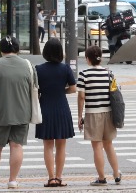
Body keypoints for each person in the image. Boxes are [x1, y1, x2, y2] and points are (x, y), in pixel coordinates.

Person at [0, 36, 34, 189]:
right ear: (17, 49)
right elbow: (34, 88)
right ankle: (12, 181)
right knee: (16, 146)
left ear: (1, 49)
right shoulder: (28, 64)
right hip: (23, 112)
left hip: (1, 111)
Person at [77, 46, 122, 186]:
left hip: (92, 114)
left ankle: (102, 178)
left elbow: (81, 97)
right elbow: (115, 94)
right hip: (108, 113)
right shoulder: (109, 73)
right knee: (109, 145)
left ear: (87, 59)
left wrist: (80, 116)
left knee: (97, 146)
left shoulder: (84, 74)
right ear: (100, 58)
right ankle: (116, 173)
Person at [35, 38, 77, 187]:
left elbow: (35, 90)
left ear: (45, 52)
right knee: (61, 146)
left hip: (45, 107)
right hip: (61, 108)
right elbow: (73, 88)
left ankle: (51, 177)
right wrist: (61, 91)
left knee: (48, 146)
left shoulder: (38, 69)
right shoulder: (65, 69)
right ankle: (59, 178)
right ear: (60, 52)